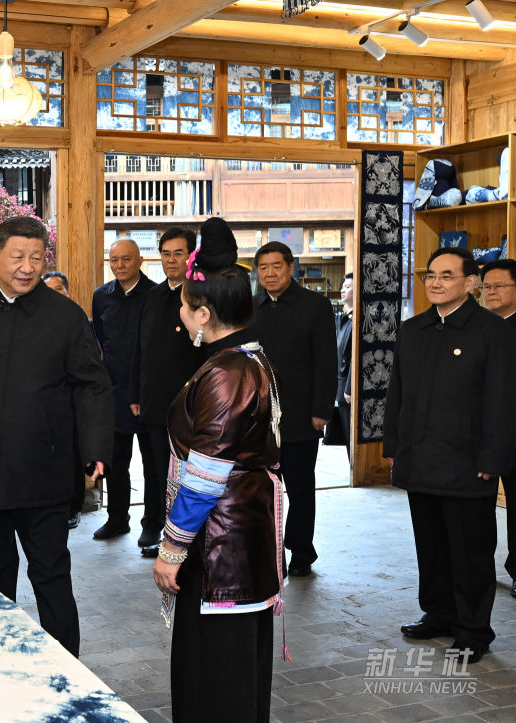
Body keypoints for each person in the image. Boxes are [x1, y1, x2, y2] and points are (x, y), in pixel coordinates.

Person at [0, 216, 113, 656]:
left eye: (36, 257)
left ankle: (67, 666)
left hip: (43, 472)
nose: (27, 267)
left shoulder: (66, 316)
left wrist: (94, 449)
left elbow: (93, 384)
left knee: (50, 573)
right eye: (17, 256)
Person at [152, 217, 284, 723]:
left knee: (218, 674)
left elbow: (205, 476)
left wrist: (171, 549)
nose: (180, 316)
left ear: (203, 313)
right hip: (237, 532)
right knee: (227, 668)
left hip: (221, 541)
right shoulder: (244, 357)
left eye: (184, 307)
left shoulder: (227, 372)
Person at [385, 247, 516, 664]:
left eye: (446, 275)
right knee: (432, 545)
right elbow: (396, 396)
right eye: (430, 275)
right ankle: (438, 614)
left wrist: (492, 459)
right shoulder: (413, 329)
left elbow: (501, 400)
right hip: (420, 458)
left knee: (470, 551)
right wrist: (394, 448)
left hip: (468, 463)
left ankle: (474, 630)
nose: (435, 282)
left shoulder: (492, 331)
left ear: (470, 282)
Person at [252, 241, 337, 577]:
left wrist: (322, 410)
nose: (270, 273)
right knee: (263, 488)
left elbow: (327, 361)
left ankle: (301, 550)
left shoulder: (315, 305)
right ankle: (269, 553)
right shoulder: (251, 306)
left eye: (276, 266)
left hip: (301, 413)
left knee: (300, 488)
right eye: (263, 268)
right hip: (258, 416)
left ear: (290, 267)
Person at [130, 228, 204, 558]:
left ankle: (185, 539)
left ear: (192, 256)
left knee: (187, 476)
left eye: (178, 253)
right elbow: (140, 350)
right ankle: (161, 532)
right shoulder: (152, 296)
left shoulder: (200, 297)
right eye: (166, 253)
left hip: (189, 408)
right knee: (157, 472)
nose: (171, 260)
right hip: (153, 404)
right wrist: (136, 393)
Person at [92, 240, 158, 543]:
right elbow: (101, 343)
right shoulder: (101, 296)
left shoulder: (157, 295)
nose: (119, 265)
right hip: (115, 392)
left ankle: (152, 523)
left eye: (126, 259)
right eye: (114, 259)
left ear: (140, 260)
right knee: (116, 462)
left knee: (152, 464)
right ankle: (117, 519)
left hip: (147, 392)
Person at [480, 259, 516, 597]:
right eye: (485, 286)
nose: (490, 291)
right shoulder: (479, 328)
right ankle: (480, 570)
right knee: (479, 510)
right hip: (481, 437)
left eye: (498, 285)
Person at [42, 270, 87, 529]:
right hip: (50, 403)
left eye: (59, 290)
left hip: (75, 401)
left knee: (74, 456)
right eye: (49, 291)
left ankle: (74, 506)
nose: (55, 296)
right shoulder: (39, 324)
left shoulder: (81, 321)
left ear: (68, 292)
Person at [335, 272, 354, 460]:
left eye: (348, 287)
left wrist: (349, 388)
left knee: (350, 431)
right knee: (345, 430)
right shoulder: (345, 317)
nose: (342, 289)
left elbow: (355, 358)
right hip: (340, 384)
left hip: (348, 387)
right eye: (343, 285)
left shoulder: (357, 320)